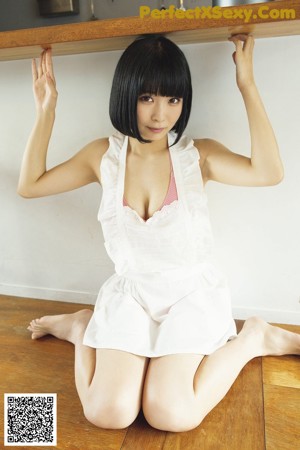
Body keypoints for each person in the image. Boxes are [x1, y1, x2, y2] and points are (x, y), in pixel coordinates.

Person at [19, 34, 300, 433]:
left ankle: (254, 339)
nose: (160, 115)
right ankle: (83, 329)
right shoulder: (103, 157)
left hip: (190, 297)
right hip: (131, 296)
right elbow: (30, 185)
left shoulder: (196, 157)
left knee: (170, 414)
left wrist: (247, 85)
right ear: (126, 94)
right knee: (106, 414)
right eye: (147, 98)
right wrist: (47, 109)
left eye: (173, 100)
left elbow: (269, 172)